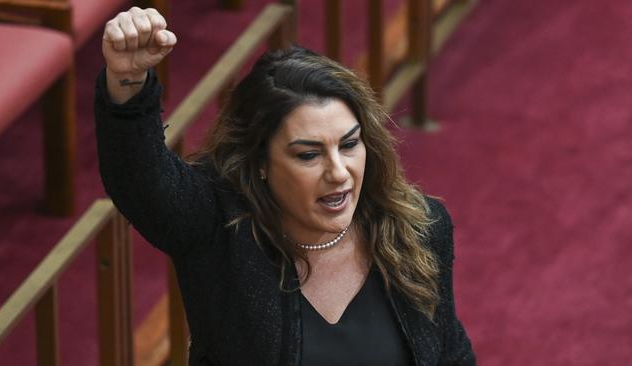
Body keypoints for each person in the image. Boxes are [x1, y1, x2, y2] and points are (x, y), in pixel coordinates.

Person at [96, 6, 475, 366]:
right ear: (261, 162)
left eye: (348, 144)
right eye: (308, 155)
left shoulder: (419, 228)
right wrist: (128, 81)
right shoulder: (219, 229)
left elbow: (449, 354)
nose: (339, 172)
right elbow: (141, 181)